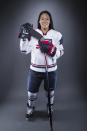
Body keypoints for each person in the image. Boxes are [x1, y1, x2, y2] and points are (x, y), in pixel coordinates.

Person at [19, 10, 64, 119]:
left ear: (50, 21)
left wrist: (52, 51)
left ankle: (50, 108)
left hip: (51, 70)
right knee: (31, 93)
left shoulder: (57, 34)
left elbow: (61, 51)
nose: (44, 20)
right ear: (39, 20)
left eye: (47, 18)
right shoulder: (33, 33)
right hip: (35, 70)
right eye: (42, 18)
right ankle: (30, 108)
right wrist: (24, 37)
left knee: (50, 92)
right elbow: (23, 50)